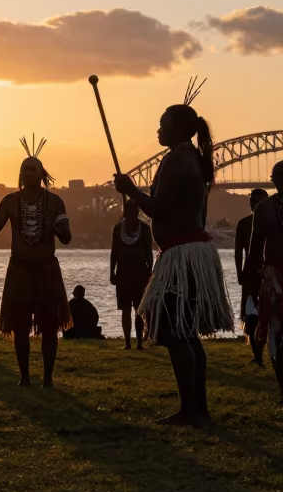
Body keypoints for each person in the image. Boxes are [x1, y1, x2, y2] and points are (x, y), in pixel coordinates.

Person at [115, 103, 232, 428]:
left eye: (162, 123)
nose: (157, 129)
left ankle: (191, 410)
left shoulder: (178, 158)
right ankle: (198, 409)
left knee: (174, 329)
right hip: (190, 252)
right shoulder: (189, 156)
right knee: (185, 331)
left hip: (184, 253)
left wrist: (131, 191)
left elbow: (160, 208)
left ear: (177, 128)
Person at [0, 141, 72, 387]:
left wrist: (57, 227)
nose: (29, 173)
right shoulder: (10, 201)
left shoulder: (55, 202)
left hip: (46, 270)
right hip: (19, 270)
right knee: (19, 327)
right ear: (20, 174)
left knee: (50, 327)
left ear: (42, 174)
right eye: (25, 169)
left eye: (34, 169)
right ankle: (24, 377)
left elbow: (67, 237)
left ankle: (48, 379)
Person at [245, 163, 283, 403]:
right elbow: (254, 249)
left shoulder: (266, 209)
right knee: (276, 334)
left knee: (277, 335)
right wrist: (250, 287)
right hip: (272, 279)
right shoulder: (265, 209)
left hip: (271, 277)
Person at [110, 199, 154, 350]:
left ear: (136, 213)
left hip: (140, 273)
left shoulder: (145, 229)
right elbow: (114, 253)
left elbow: (149, 253)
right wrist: (112, 272)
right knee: (126, 309)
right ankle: (128, 343)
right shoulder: (117, 229)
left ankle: (139, 343)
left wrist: (150, 273)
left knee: (138, 309)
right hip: (123, 273)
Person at [236, 188, 267, 366]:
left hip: (268, 272)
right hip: (250, 274)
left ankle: (262, 353)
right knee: (250, 315)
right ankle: (257, 355)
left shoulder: (273, 222)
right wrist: (239, 272)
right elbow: (238, 252)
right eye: (253, 201)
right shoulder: (243, 224)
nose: (254, 204)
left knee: (267, 313)